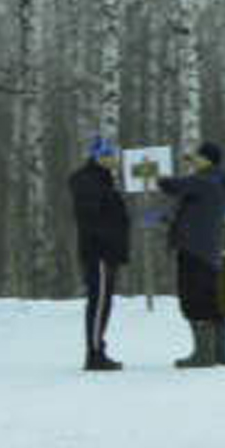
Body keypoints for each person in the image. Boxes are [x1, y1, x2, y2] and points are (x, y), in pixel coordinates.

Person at [157, 142, 225, 369]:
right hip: (208, 250)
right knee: (211, 302)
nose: (193, 161)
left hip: (195, 250)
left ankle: (203, 355)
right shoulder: (217, 181)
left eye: (197, 157)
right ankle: (220, 353)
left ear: (207, 159)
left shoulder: (206, 180)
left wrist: (159, 177)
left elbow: (175, 185)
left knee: (194, 300)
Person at [68, 133, 130, 371]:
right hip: (99, 252)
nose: (115, 159)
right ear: (100, 156)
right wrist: (108, 239)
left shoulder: (103, 179)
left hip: (107, 251)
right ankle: (94, 354)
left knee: (103, 303)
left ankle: (98, 349)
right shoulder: (88, 180)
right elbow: (92, 216)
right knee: (99, 301)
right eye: (111, 155)